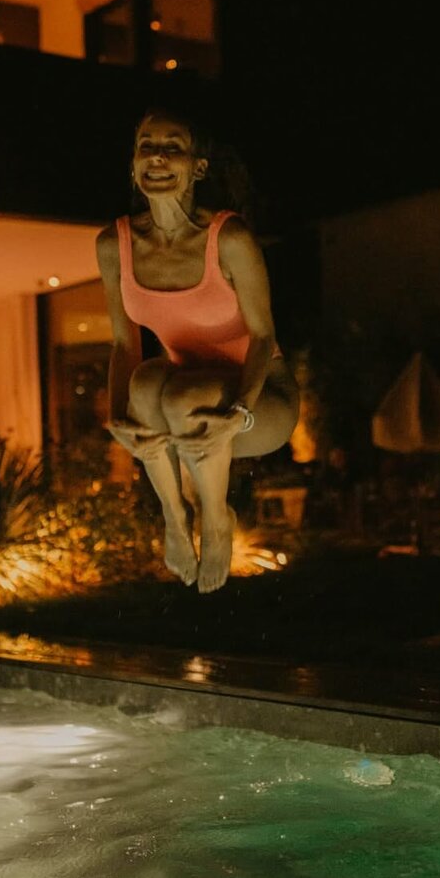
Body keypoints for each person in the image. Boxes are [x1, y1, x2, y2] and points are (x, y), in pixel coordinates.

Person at [96, 106, 299, 593]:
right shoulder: (114, 244)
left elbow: (263, 336)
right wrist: (120, 419)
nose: (157, 157)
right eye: (147, 146)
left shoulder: (228, 238)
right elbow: (124, 343)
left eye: (173, 147)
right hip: (178, 400)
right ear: (133, 163)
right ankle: (174, 514)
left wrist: (239, 411)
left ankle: (216, 518)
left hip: (258, 399)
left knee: (185, 396)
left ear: (198, 167)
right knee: (146, 380)